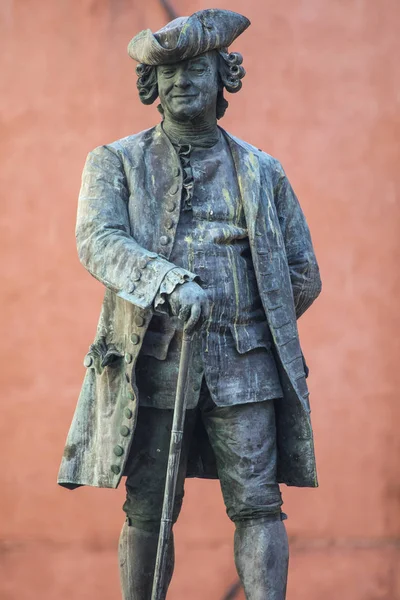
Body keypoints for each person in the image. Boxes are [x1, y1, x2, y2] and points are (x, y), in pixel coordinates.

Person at [58, 9, 322, 599]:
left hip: (246, 369)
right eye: (168, 70)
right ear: (151, 84)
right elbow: (98, 240)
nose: (181, 81)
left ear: (223, 76)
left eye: (195, 68)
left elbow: (303, 274)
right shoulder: (114, 162)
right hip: (152, 363)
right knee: (148, 506)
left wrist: (249, 325)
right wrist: (168, 284)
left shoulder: (262, 171)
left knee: (259, 504)